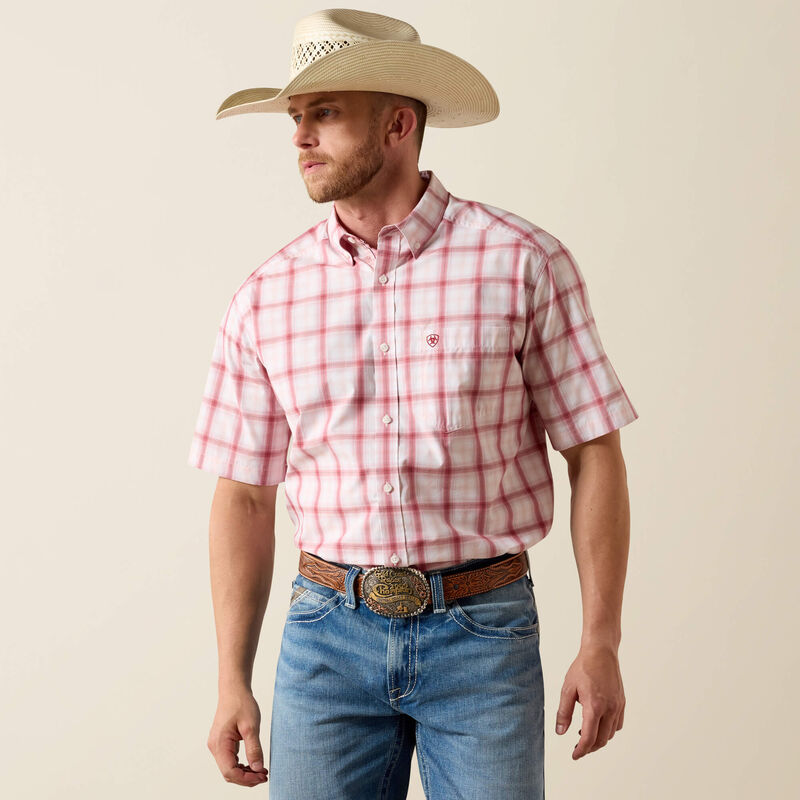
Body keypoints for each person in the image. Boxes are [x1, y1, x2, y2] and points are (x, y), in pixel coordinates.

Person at [188, 9, 639, 799]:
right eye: (296, 118)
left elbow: (593, 450)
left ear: (398, 122)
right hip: (324, 641)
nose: (300, 138)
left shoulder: (522, 263)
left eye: (323, 113)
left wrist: (601, 640)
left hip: (483, 634)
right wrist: (232, 677)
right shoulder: (266, 298)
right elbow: (246, 496)